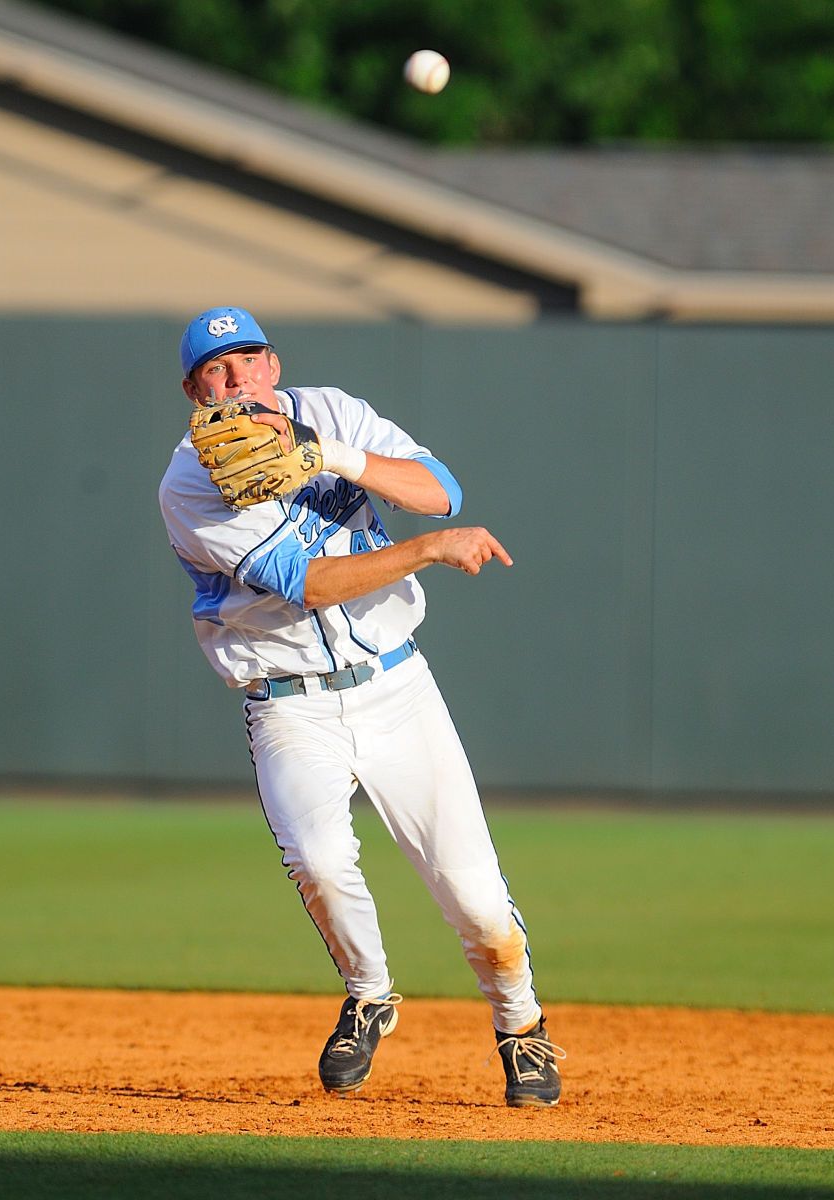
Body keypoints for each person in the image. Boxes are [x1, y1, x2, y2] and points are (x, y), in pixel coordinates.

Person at [156, 305, 565, 1107]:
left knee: (478, 901)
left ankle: (521, 1025)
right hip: (288, 707)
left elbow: (440, 491)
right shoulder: (189, 486)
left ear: (273, 365)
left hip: (396, 689)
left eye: (248, 359)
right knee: (316, 861)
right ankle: (370, 993)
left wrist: (329, 454)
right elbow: (308, 586)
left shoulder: (333, 411)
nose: (237, 378)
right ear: (195, 392)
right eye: (216, 369)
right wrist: (427, 551)